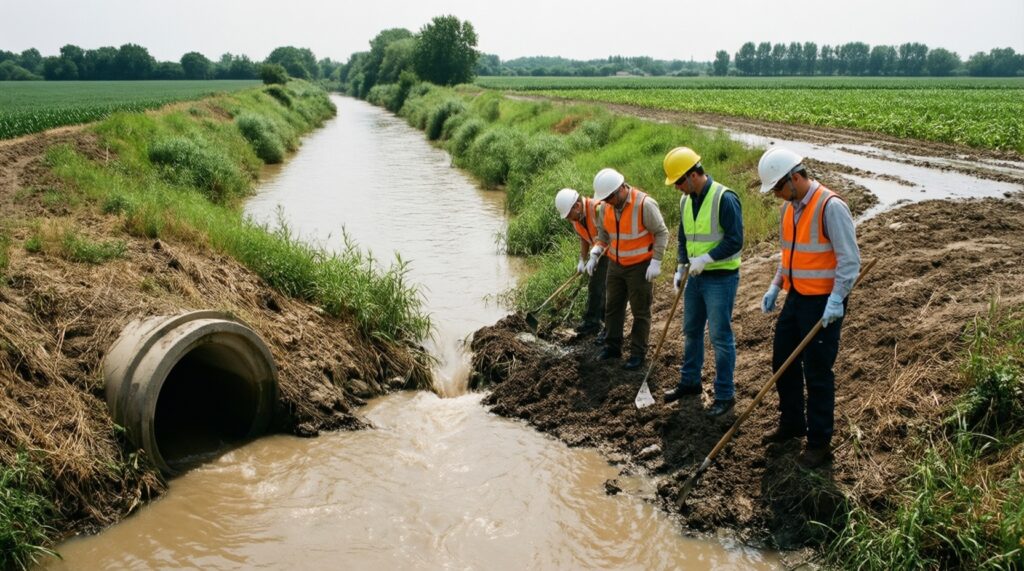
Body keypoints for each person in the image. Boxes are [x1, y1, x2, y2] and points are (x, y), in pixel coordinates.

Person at [758, 147, 861, 469]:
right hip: (797, 296)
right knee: (783, 362)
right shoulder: (789, 210)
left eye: (778, 188)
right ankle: (792, 423)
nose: (776, 195)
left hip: (823, 301)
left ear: (795, 177)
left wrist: (836, 299)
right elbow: (789, 255)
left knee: (817, 372)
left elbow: (850, 260)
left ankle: (819, 443)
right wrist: (776, 285)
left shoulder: (831, 206)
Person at [660, 147, 744, 418]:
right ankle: (690, 382)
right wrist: (681, 265)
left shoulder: (724, 198)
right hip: (695, 278)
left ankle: (724, 394)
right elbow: (684, 237)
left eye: (679, 182)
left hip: (720, 278)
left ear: (694, 174)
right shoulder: (686, 200)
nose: (677, 189)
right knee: (691, 331)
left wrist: (707, 258)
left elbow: (735, 240)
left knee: (720, 337)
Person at [585, 168, 669, 371]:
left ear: (621, 188)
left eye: (611, 197)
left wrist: (656, 261)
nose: (608, 202)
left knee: (640, 311)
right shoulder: (605, 207)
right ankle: (612, 347)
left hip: (640, 267)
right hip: (615, 264)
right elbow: (604, 234)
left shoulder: (644, 204)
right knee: (612, 307)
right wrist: (596, 252)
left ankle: (638, 353)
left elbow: (661, 232)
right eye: (605, 199)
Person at [554, 187, 607, 337]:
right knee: (594, 286)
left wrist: (595, 255)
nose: (569, 219)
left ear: (577, 206)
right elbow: (583, 237)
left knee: (606, 288)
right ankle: (592, 323)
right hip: (597, 253)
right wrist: (582, 260)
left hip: (611, 251)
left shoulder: (596, 209)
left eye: (569, 215)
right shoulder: (576, 217)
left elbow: (608, 235)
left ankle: (606, 326)